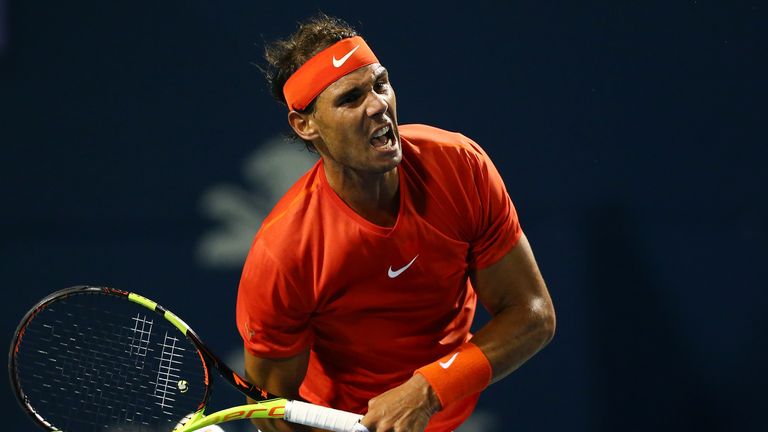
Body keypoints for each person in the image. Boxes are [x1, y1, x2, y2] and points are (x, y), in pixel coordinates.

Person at [236, 13, 556, 432]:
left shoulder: (459, 165)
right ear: (305, 124)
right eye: (350, 98)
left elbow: (533, 315)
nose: (378, 105)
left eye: (380, 84)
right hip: (341, 422)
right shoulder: (284, 252)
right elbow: (272, 409)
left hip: (442, 408)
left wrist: (427, 389)